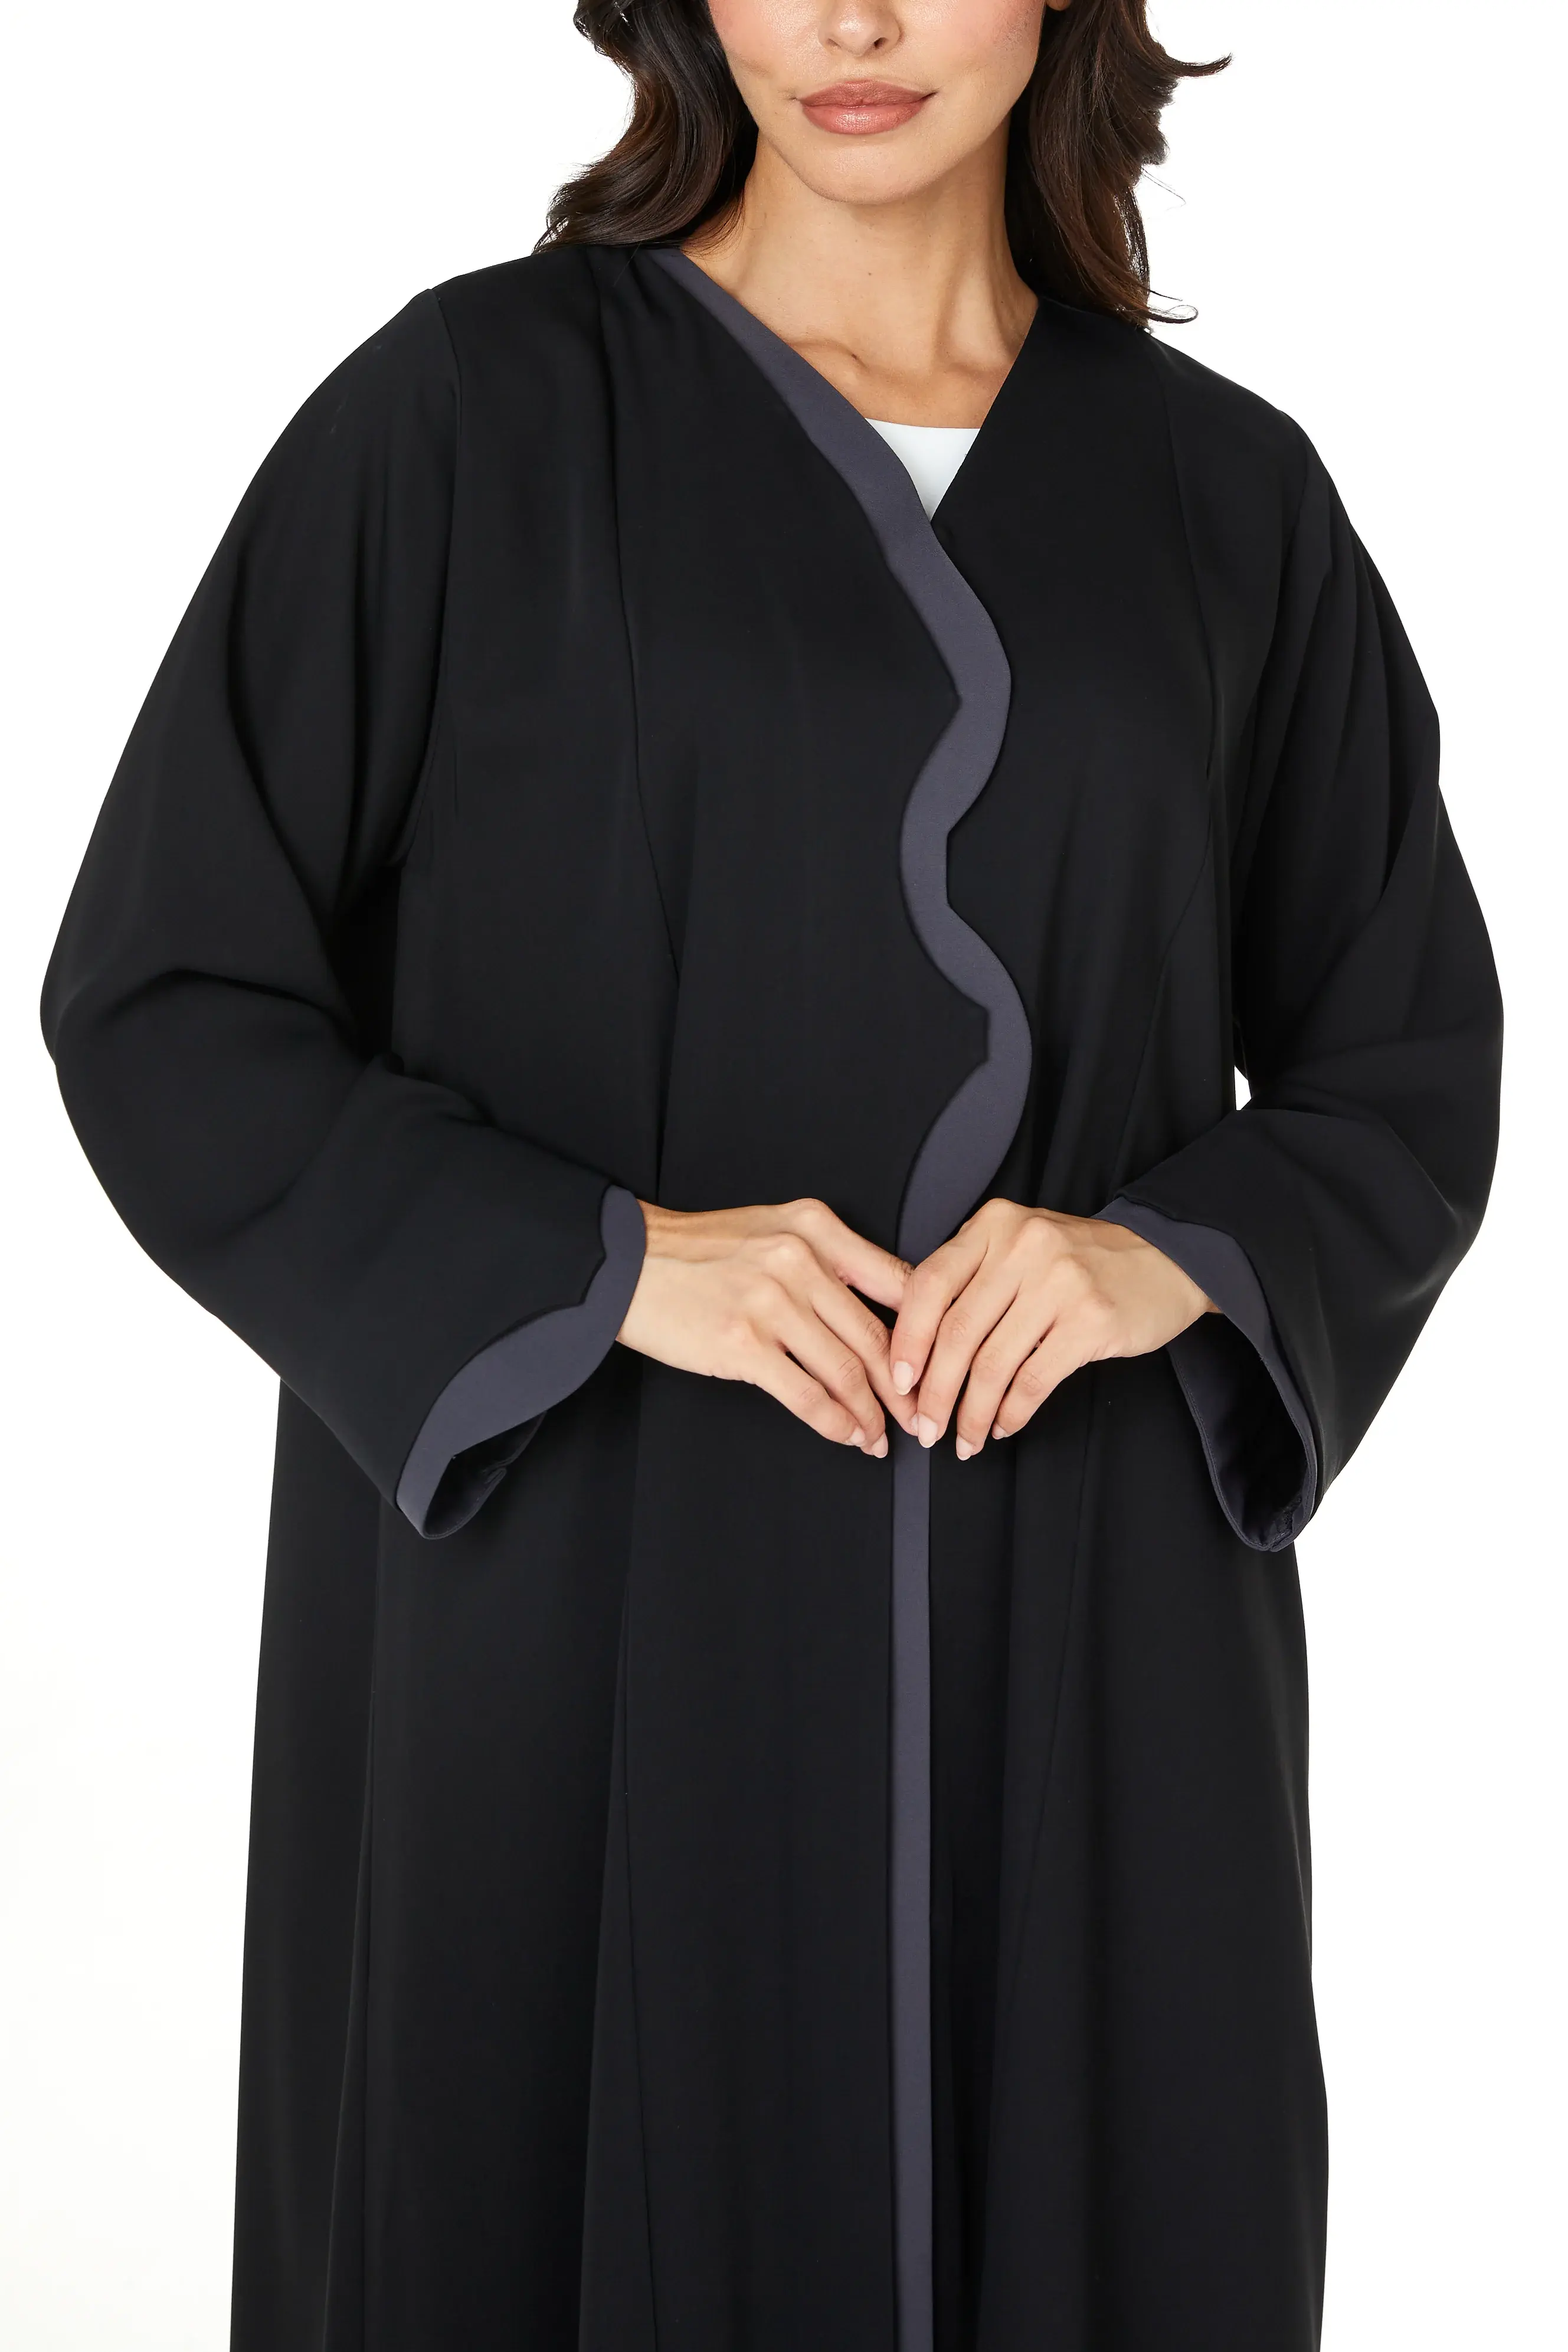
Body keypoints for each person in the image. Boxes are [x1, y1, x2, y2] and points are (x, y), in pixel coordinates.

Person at [40, 1, 1502, 2346]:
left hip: (1081, 1630)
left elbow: (1404, 1055)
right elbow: (167, 994)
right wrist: (601, 1268)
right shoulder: (467, 421)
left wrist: (1161, 1263)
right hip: (584, 1619)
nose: (851, 22)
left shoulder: (1228, 502)